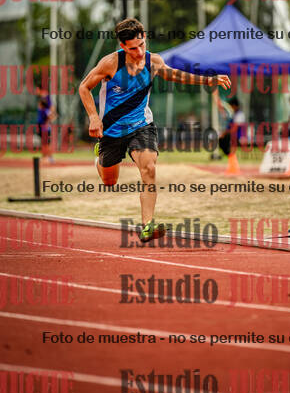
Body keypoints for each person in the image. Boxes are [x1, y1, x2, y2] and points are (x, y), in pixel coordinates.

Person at [79, 17, 231, 242]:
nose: (140, 52)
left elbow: (175, 75)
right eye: (133, 48)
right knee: (109, 181)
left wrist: (208, 81)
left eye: (142, 45)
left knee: (149, 169)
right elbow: (84, 87)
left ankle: (147, 226)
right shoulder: (110, 63)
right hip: (112, 130)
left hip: (141, 125)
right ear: (123, 46)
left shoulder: (154, 61)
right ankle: (99, 159)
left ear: (145, 38)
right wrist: (93, 117)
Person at [36, 85, 57, 164]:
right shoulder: (44, 110)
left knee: (46, 144)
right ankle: (45, 157)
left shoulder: (44, 110)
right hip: (42, 127)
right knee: (44, 143)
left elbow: (53, 115)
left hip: (44, 128)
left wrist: (48, 120)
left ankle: (50, 157)